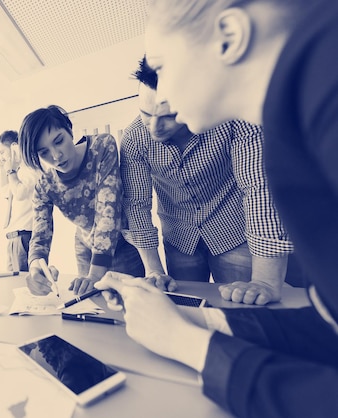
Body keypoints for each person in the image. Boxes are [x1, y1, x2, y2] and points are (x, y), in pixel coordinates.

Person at [95, 0, 338, 416]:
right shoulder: (299, 109)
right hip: (180, 233)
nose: (161, 98)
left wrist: (184, 343)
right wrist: (189, 322)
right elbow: (329, 329)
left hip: (230, 230)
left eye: (163, 67)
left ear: (229, 37)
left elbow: (256, 191)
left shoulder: (317, 99)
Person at [120, 56, 294, 305]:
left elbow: (259, 188)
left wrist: (265, 281)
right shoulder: (134, 138)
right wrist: (154, 270)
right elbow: (136, 204)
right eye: (146, 114)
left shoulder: (234, 118)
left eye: (168, 116)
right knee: (188, 310)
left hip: (235, 233)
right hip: (179, 238)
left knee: (245, 309)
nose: (154, 127)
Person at [19, 105, 144, 296]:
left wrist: (95, 275)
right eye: (44, 152)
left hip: (123, 242)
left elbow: (107, 210)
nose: (56, 156)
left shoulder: (102, 147)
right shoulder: (44, 185)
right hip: (85, 247)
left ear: (69, 130)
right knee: (92, 307)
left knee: (134, 303)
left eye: (59, 141)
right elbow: (40, 234)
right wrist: (36, 267)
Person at [0, 130, 37, 272]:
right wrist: (4, 170)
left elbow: (19, 193)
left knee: (22, 284)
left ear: (14, 147)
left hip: (24, 236)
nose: (1, 157)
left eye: (2, 152)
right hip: (14, 238)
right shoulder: (17, 173)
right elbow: (5, 192)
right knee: (12, 282)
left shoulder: (29, 169)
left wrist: (10, 172)